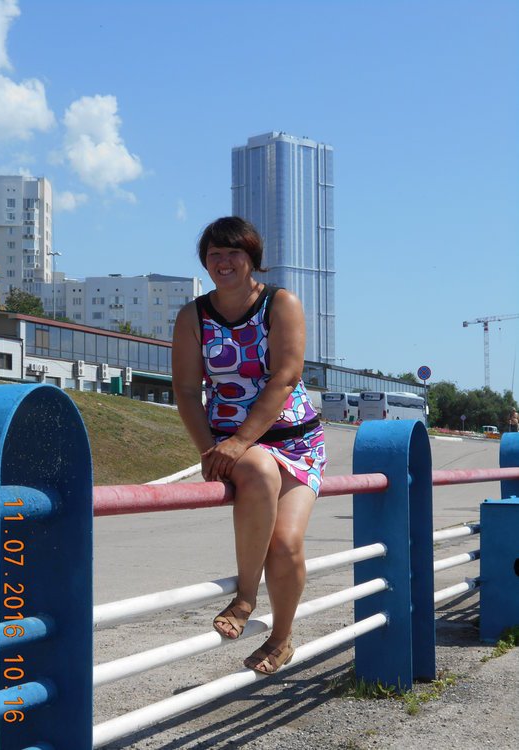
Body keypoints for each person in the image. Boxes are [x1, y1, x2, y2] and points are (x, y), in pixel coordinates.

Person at [172, 216, 326, 675]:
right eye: (214, 254)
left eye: (233, 252)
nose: (223, 262)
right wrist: (211, 450)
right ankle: (244, 597)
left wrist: (240, 441)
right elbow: (186, 390)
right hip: (232, 441)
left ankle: (281, 638)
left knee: (287, 545)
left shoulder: (281, 304)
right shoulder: (193, 317)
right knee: (257, 469)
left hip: (295, 440)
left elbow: (286, 378)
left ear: (252, 258)